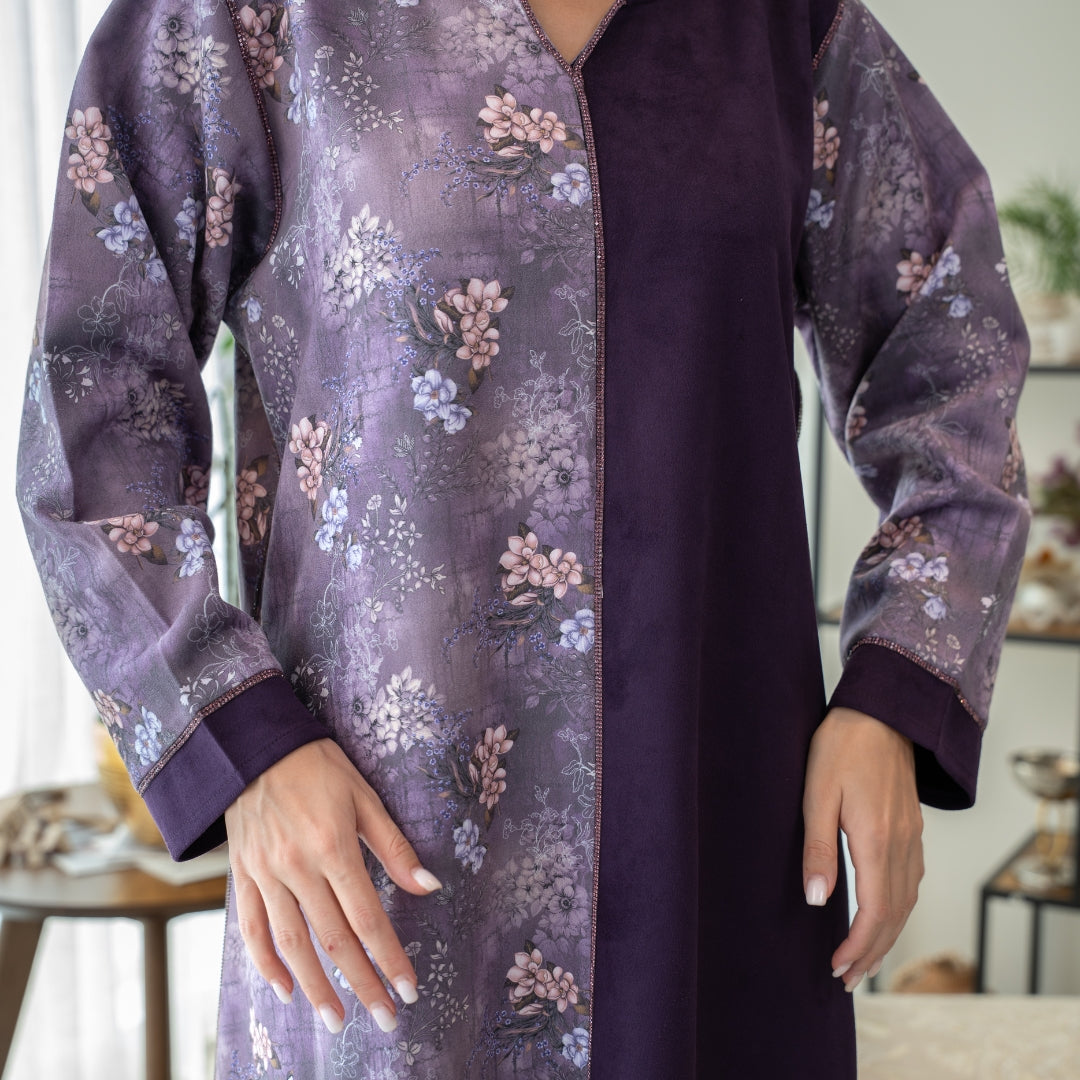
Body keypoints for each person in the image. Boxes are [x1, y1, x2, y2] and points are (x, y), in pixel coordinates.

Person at [16, 0, 1030, 1076]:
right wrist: (241, 746)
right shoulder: (247, 21)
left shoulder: (785, 27)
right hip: (379, 883)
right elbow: (95, 398)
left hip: (716, 852)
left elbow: (954, 354)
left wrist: (892, 697)